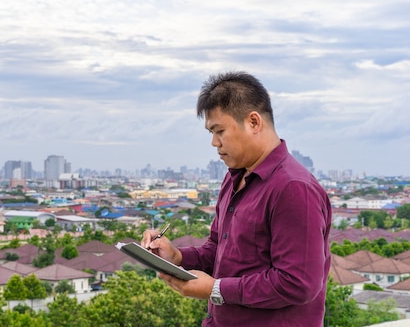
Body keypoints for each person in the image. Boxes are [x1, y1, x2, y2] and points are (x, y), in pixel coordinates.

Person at [141, 71, 332, 327]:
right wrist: (177, 257)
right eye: (211, 132)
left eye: (219, 131)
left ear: (253, 122)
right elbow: (219, 250)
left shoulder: (293, 188)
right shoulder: (235, 178)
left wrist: (215, 289)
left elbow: (298, 284)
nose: (214, 142)